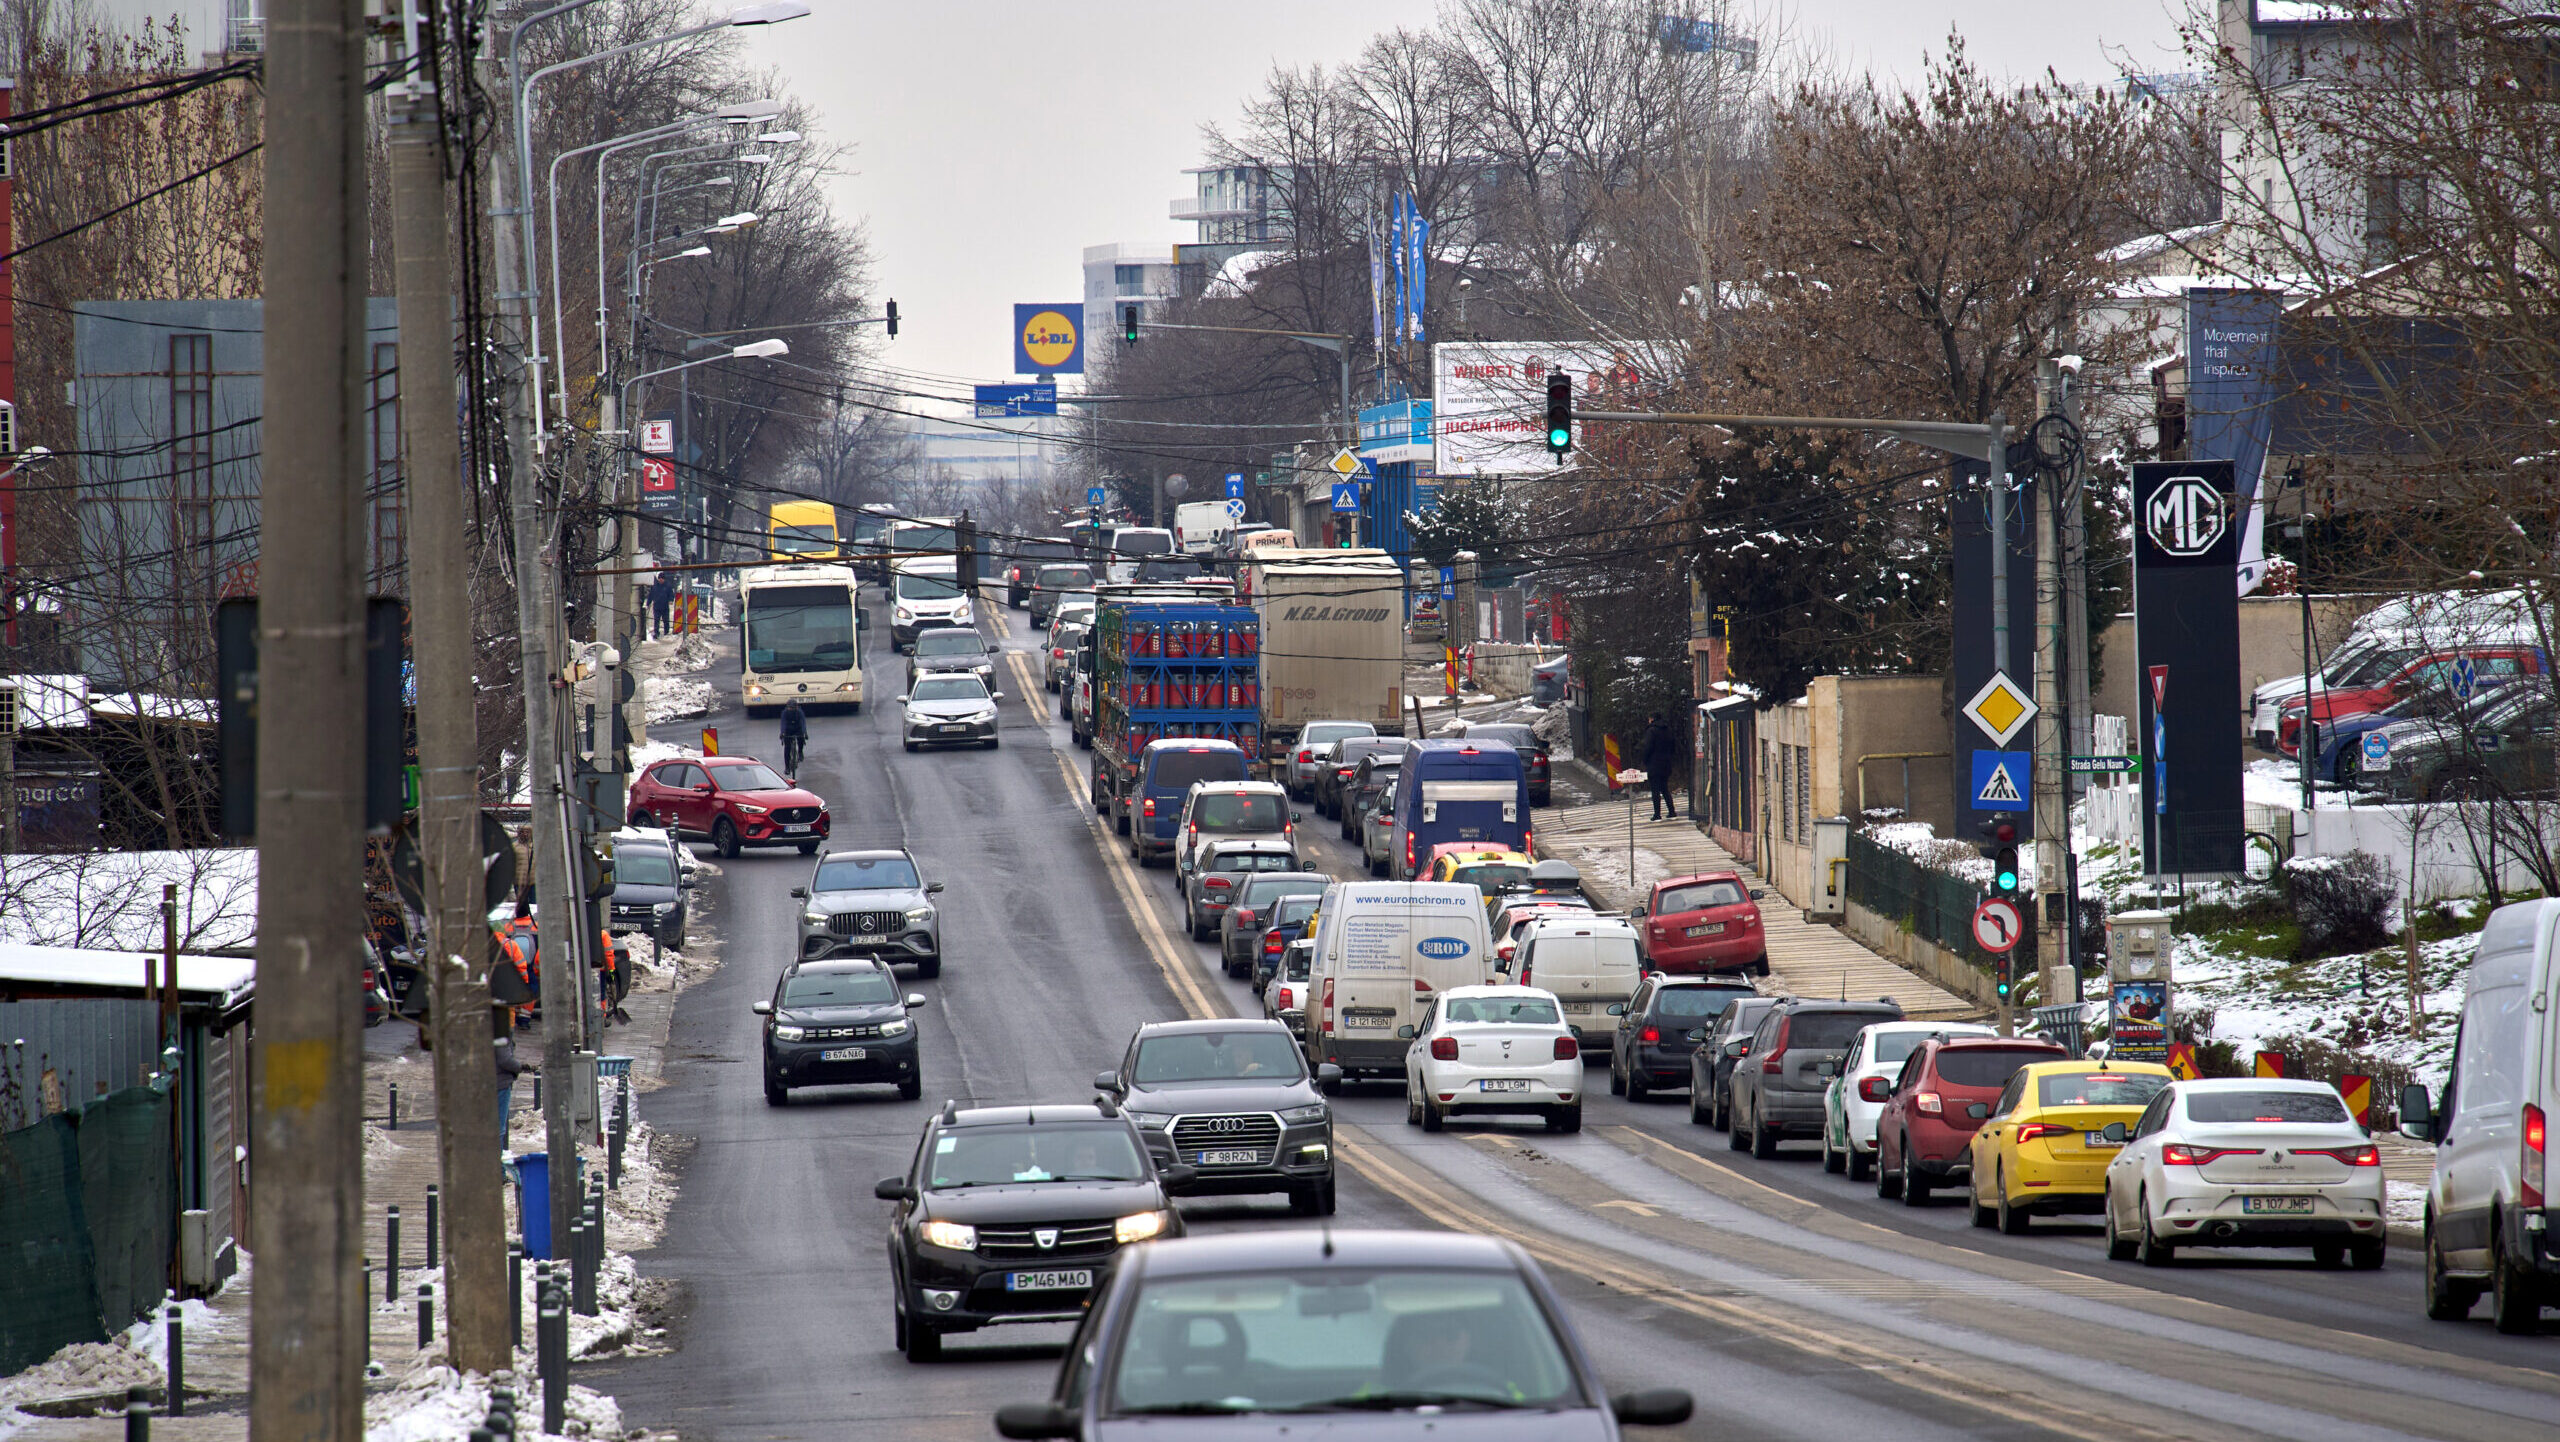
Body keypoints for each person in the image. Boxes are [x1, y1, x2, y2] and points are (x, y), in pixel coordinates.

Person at [1642, 712, 1679, 821]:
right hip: (1666, 763)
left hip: (1654, 764)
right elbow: (1673, 747)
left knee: (1655, 790)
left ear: (1652, 719)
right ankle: (1671, 811)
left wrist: (1645, 760)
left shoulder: (1651, 731)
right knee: (1665, 788)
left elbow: (1648, 747)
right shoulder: (1668, 730)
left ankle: (1657, 814)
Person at [779, 697, 808, 780]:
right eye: (789, 707)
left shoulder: (799, 712)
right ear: (787, 707)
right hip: (788, 730)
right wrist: (782, 733)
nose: (791, 709)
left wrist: (804, 732)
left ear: (796, 707)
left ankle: (800, 752)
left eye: (793, 708)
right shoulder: (785, 713)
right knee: (787, 749)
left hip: (797, 728)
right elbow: (783, 723)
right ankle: (787, 767)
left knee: (801, 738)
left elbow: (803, 722)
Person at [648, 570, 676, 638]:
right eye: (659, 578)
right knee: (656, 620)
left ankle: (666, 632)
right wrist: (648, 603)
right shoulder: (655, 586)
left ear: (664, 579)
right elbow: (651, 595)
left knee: (666, 620)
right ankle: (656, 633)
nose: (660, 580)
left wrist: (671, 600)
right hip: (656, 606)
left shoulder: (668, 586)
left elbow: (671, 594)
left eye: (662, 578)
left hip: (665, 607)